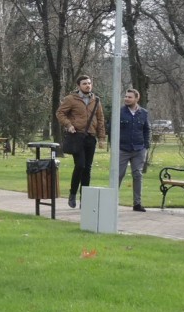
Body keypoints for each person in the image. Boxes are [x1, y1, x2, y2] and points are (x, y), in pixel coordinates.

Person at [56, 75, 106, 208]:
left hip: (91, 137)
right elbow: (60, 113)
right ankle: (72, 193)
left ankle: (85, 198)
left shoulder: (96, 100)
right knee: (80, 165)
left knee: (87, 169)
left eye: (89, 83)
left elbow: (100, 120)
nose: (88, 86)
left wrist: (101, 138)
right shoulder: (71, 99)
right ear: (79, 85)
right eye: (85, 83)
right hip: (77, 136)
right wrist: (68, 125)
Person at [118, 88, 151, 212]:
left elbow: (147, 129)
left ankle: (137, 203)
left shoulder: (143, 113)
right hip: (122, 149)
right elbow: (112, 128)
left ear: (137, 98)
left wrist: (146, 145)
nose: (126, 99)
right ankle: (112, 201)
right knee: (118, 175)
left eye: (129, 97)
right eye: (126, 96)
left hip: (139, 149)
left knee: (137, 175)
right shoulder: (120, 112)